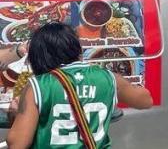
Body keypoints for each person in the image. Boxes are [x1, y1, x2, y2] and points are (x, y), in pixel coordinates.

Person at [7, 23, 153, 148]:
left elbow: (17, 144)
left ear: (39, 56)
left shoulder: (38, 85)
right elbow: (146, 101)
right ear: (77, 48)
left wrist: (15, 113)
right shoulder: (108, 78)